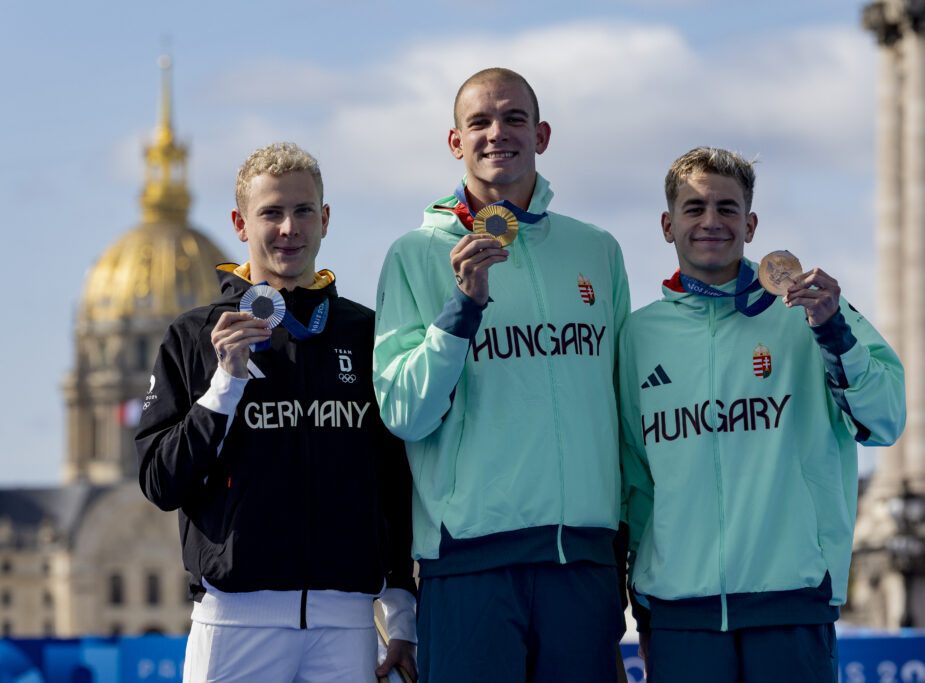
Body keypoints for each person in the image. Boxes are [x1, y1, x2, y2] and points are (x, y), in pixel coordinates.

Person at [373, 68, 631, 682]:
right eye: (479, 122)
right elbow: (405, 413)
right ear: (455, 142)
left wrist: (628, 551)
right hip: (469, 560)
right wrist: (462, 308)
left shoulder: (598, 250)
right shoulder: (415, 254)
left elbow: (626, 416)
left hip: (583, 558)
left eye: (514, 118)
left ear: (541, 134)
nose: (498, 134)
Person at [619, 147, 906, 682]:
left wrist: (834, 332)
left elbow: (887, 418)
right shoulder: (638, 336)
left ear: (750, 225)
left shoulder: (812, 312)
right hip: (682, 613)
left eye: (727, 209)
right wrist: (644, 611)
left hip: (790, 603)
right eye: (694, 207)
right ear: (667, 224)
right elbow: (636, 482)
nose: (711, 221)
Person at [136, 142, 417, 683]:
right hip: (234, 622)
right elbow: (158, 481)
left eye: (303, 210)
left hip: (347, 623)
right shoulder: (195, 336)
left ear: (326, 219)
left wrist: (401, 616)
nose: (289, 228)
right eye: (271, 213)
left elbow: (395, 482)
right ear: (240, 223)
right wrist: (224, 385)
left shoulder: (365, 332)